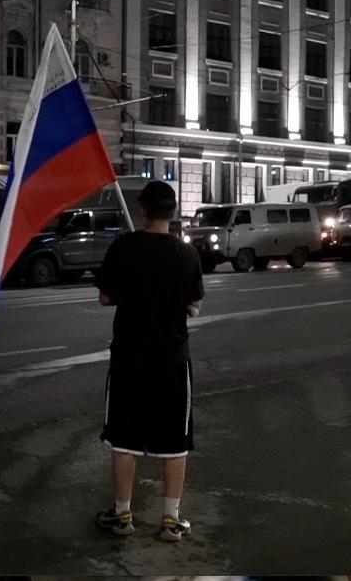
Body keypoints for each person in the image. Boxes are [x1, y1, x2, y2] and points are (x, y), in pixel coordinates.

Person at [93, 180, 205, 542]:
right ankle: (171, 520)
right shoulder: (187, 254)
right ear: (173, 213)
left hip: (129, 356)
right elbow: (195, 305)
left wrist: (133, 293)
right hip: (171, 358)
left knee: (124, 438)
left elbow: (105, 298)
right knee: (175, 441)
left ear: (142, 209)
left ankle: (122, 514)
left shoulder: (123, 247)